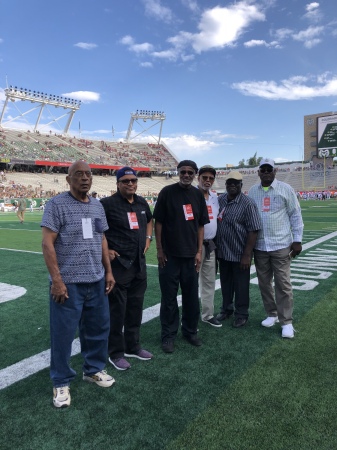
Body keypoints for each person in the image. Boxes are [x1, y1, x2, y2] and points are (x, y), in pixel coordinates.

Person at [41, 160, 115, 408]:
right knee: (62, 335)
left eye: (88, 174)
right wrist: (57, 281)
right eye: (78, 174)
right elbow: (47, 244)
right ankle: (61, 381)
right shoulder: (56, 205)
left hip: (95, 281)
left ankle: (93, 370)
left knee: (97, 331)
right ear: (68, 179)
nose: (84, 178)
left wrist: (108, 272)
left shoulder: (97, 205)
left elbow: (102, 239)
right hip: (69, 284)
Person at [153, 160, 209, 353]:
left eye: (190, 172)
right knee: (169, 298)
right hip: (169, 256)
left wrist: (199, 251)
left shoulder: (197, 195)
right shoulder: (167, 192)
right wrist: (159, 249)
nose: (186, 175)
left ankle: (190, 331)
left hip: (190, 256)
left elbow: (201, 225)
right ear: (178, 172)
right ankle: (168, 335)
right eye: (183, 172)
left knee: (191, 297)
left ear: (195, 174)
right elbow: (158, 222)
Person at [100, 167, 153, 371]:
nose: (131, 183)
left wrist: (148, 238)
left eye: (133, 180)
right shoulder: (107, 204)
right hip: (119, 266)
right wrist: (107, 250)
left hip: (139, 265)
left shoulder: (141, 202)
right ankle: (115, 352)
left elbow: (149, 219)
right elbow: (98, 231)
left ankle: (133, 346)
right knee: (117, 312)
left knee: (135, 309)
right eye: (126, 181)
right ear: (118, 183)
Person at [248, 158, 304, 339]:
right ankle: (271, 313)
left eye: (268, 169)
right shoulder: (252, 191)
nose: (265, 172)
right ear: (258, 172)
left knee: (283, 284)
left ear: (275, 171)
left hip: (281, 244)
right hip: (261, 245)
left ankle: (286, 321)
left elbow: (295, 214)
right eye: (262, 169)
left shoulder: (286, 189)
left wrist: (297, 240)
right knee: (264, 283)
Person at [216, 171, 261, 327]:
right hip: (223, 252)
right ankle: (226, 309)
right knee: (225, 284)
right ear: (226, 184)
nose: (232, 185)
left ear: (241, 185)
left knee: (241, 286)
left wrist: (247, 255)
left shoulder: (248, 203)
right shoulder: (220, 200)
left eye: (236, 183)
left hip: (239, 252)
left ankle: (241, 313)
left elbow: (254, 229)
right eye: (230, 182)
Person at [197, 165, 221, 327]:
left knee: (209, 281)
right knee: (191, 282)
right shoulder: (191, 195)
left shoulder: (214, 198)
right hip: (193, 246)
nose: (207, 180)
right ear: (198, 178)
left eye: (210, 178)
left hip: (210, 244)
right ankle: (190, 316)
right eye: (204, 177)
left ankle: (207, 314)